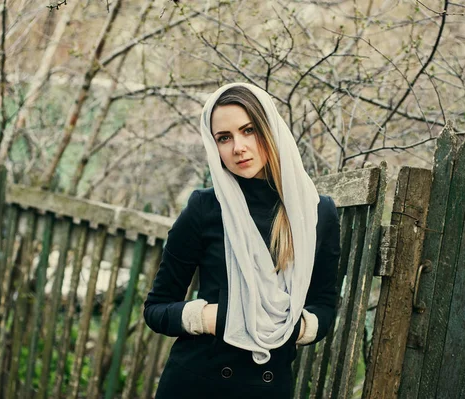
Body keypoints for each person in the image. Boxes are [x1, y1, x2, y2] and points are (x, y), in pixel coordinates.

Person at [143, 82, 341, 398]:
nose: (238, 147)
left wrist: (292, 327)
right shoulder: (205, 207)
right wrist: (213, 318)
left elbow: (324, 303)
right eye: (224, 138)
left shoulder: (318, 212)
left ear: (269, 128)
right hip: (197, 383)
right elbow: (156, 309)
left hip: (268, 386)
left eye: (248, 130)